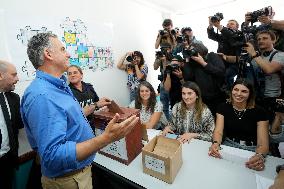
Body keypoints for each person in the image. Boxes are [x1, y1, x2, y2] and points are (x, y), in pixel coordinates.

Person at [21, 33, 139, 189]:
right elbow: (52, 156)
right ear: (48, 54)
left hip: (79, 173)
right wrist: (106, 138)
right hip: (68, 181)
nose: (68, 54)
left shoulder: (59, 87)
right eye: (63, 49)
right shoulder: (43, 96)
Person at [208, 78, 269, 171]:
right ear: (231, 90)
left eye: (244, 91)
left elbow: (262, 142)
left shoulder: (260, 112)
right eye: (236, 89)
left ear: (250, 94)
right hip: (228, 144)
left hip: (252, 149)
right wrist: (215, 143)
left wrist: (259, 156)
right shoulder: (222, 107)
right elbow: (219, 131)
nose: (238, 94)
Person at [182, 42, 226, 116]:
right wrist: (187, 59)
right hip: (202, 99)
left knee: (218, 119)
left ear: (199, 50)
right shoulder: (192, 63)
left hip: (217, 96)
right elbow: (187, 78)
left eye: (193, 51)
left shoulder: (212, 56)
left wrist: (203, 63)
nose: (192, 53)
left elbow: (221, 72)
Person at [0, 60, 23, 189]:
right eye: (13, 75)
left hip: (7, 160)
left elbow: (19, 125)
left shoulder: (14, 98)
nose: (17, 79)